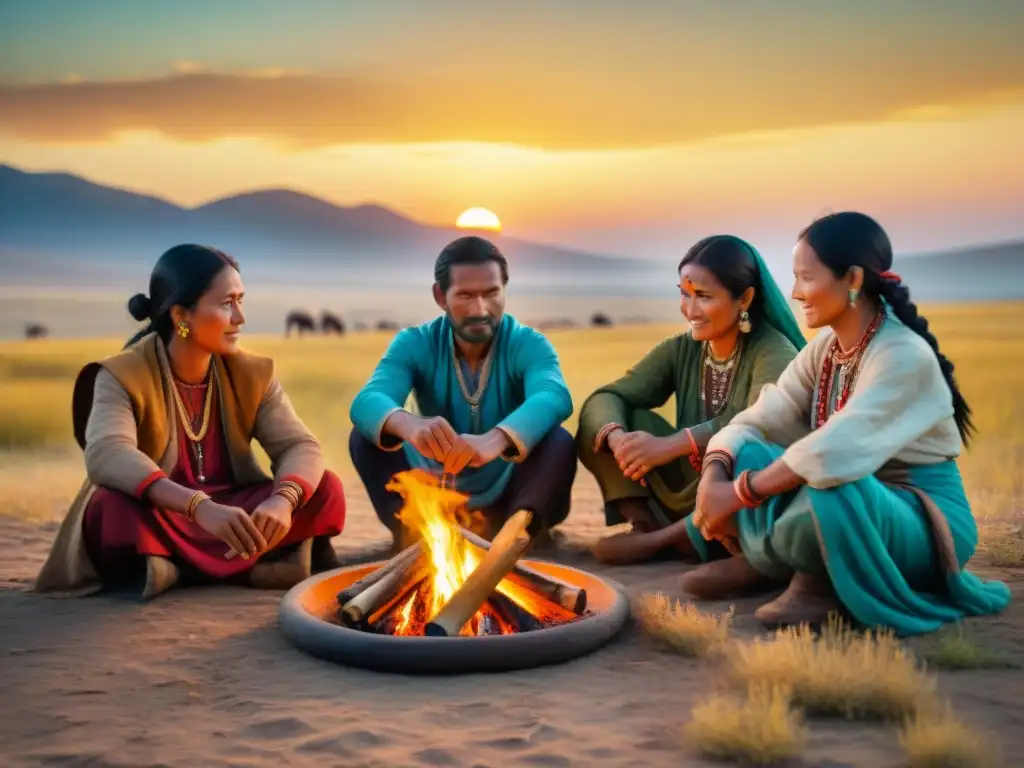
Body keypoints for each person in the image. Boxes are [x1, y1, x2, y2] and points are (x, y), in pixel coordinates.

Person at [688, 212, 1011, 635]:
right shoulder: (826, 349)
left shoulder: (902, 354)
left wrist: (740, 493)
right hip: (849, 493)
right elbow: (762, 417)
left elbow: (836, 449)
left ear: (853, 280)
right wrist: (715, 476)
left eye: (806, 277)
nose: (795, 292)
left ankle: (815, 582)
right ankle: (770, 563)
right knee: (748, 451)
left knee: (834, 483)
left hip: (923, 520)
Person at [34, 245, 347, 600]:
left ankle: (170, 570)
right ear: (182, 315)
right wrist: (198, 507)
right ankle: (262, 565)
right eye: (227, 303)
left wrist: (282, 502)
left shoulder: (253, 373)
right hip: (166, 511)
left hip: (233, 513)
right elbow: (107, 453)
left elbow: (298, 445)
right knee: (110, 509)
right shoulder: (121, 374)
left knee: (325, 489)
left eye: (241, 301)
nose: (240, 318)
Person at [576, 235, 806, 564]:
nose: (690, 309)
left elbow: (758, 421)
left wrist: (669, 445)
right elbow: (610, 395)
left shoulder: (773, 350)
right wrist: (619, 439)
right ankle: (646, 523)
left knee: (751, 452)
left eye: (704, 297)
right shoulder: (682, 349)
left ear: (745, 299)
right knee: (614, 418)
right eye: (684, 295)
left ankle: (667, 540)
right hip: (686, 487)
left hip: (735, 492)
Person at [349, 236, 575, 545]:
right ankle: (415, 539)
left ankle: (515, 540)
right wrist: (412, 426)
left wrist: (495, 440)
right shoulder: (415, 342)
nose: (480, 308)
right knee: (366, 436)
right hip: (432, 494)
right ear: (440, 296)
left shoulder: (528, 343)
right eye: (465, 295)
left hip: (507, 496)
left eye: (491, 293)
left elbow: (553, 396)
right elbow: (367, 402)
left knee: (557, 441)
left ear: (504, 290)